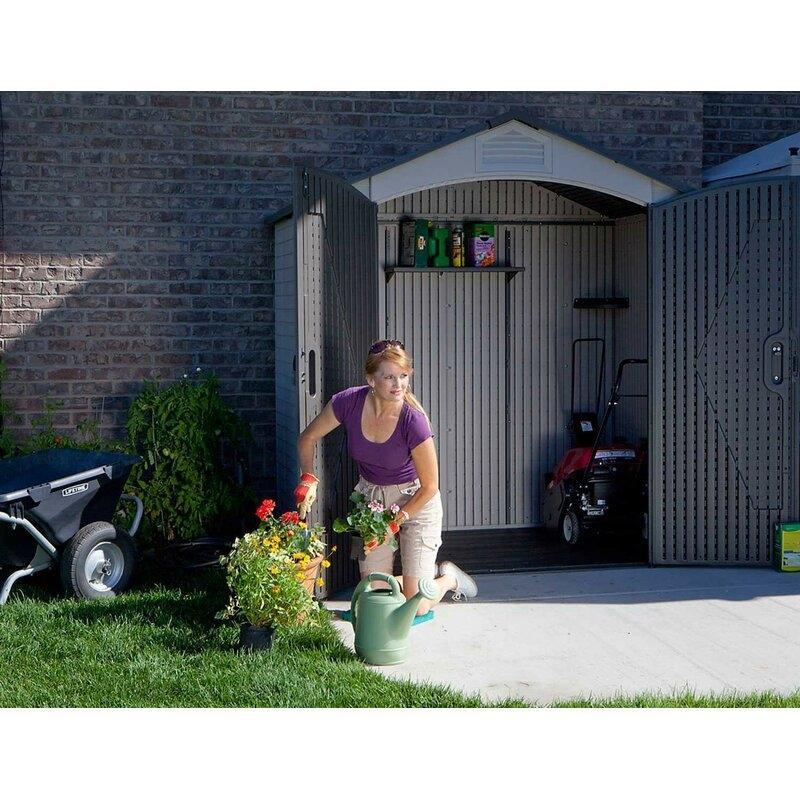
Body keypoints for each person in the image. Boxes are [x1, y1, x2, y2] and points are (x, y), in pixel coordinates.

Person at [294, 339, 477, 615]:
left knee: (416, 605)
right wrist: (308, 477)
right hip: (374, 502)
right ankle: (417, 579)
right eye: (389, 377)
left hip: (415, 501)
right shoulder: (348, 403)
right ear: (371, 379)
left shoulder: (413, 420)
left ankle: (448, 579)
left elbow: (430, 487)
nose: (398, 384)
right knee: (375, 599)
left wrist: (394, 522)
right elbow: (307, 438)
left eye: (403, 375)